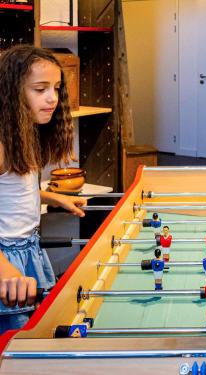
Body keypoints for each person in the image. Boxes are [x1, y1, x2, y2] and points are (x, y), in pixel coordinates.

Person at [0, 45, 87, 333]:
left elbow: (11, 192)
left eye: (57, 88)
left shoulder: (24, 135)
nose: (53, 98)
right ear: (12, 93)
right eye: (40, 89)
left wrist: (51, 196)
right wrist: (5, 270)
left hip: (27, 252)